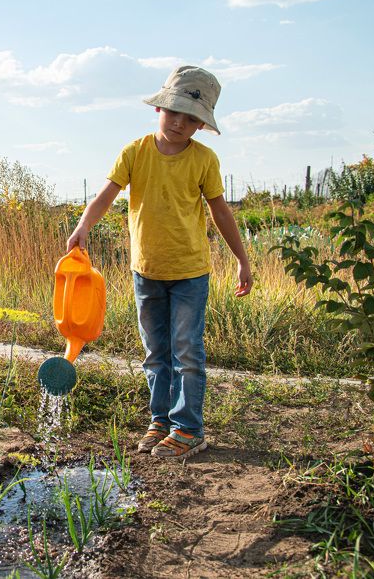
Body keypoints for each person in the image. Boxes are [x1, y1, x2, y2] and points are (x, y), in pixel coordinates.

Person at [66, 65, 252, 459]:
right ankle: (161, 420)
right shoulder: (135, 152)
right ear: (159, 109)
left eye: (191, 118)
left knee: (187, 351)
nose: (180, 123)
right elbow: (106, 194)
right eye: (174, 112)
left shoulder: (204, 160)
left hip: (190, 273)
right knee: (155, 352)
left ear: (202, 125)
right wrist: (83, 226)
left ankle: (189, 429)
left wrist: (242, 260)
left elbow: (221, 212)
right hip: (145, 271)